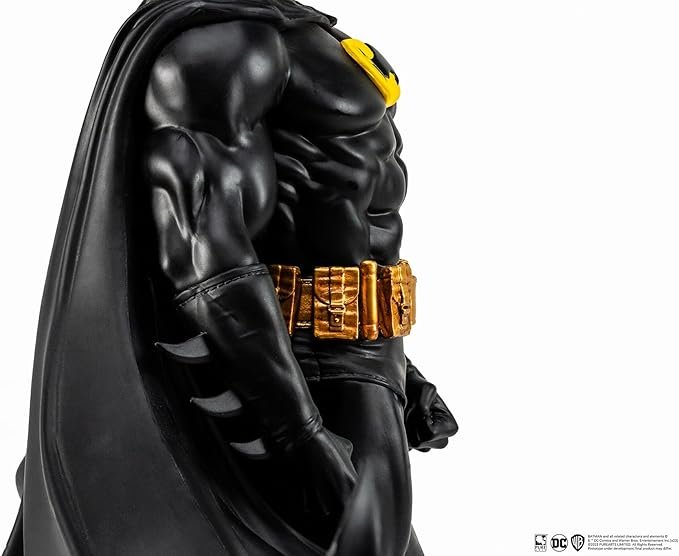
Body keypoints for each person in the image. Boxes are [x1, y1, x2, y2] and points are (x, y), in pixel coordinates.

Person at [4, 1, 457, 554]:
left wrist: (402, 373)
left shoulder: (300, 33)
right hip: (309, 378)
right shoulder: (223, 50)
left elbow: (324, 236)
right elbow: (207, 258)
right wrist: (298, 433)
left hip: (358, 368)